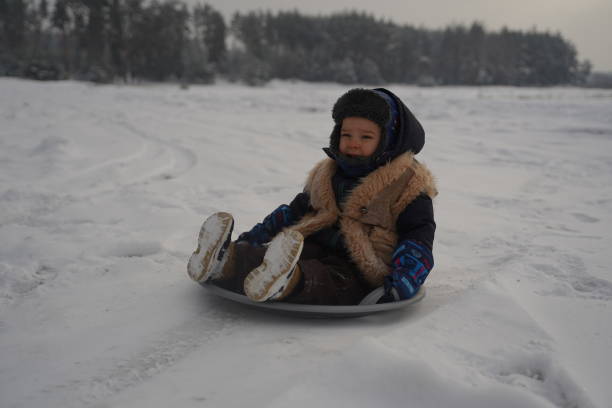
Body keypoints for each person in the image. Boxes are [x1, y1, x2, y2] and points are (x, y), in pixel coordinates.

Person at [188, 88, 437, 305]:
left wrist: (403, 280)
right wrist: (252, 239)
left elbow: (418, 235)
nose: (353, 143)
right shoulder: (328, 174)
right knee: (273, 254)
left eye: (366, 137)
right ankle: (226, 260)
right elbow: (294, 212)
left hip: (362, 266)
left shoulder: (406, 185)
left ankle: (288, 280)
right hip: (315, 245)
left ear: (389, 140)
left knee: (333, 282)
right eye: (346, 135)